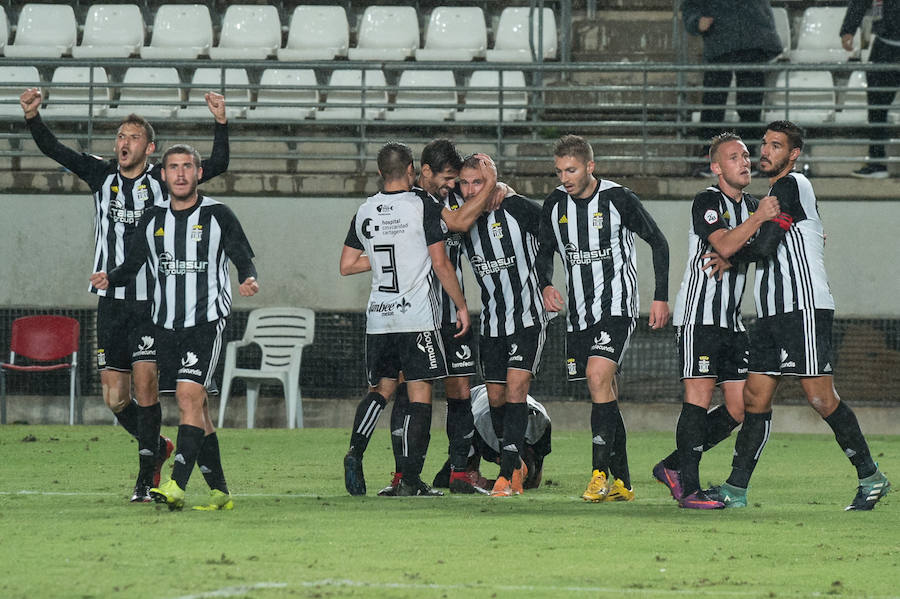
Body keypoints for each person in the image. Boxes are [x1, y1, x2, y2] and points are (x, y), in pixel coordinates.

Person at [20, 88, 230, 502]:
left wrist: (220, 123)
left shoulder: (161, 179)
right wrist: (32, 118)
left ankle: (146, 474)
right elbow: (56, 150)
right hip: (112, 301)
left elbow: (217, 164)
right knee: (115, 398)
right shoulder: (101, 176)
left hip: (152, 303)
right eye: (119, 135)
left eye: (133, 137)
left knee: (146, 385)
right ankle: (160, 446)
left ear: (148, 148)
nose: (124, 142)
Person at [706, 121, 891, 510]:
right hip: (773, 312)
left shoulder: (793, 185)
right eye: (764, 144)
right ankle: (735, 489)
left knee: (820, 398)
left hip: (802, 306)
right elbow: (765, 240)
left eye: (776, 146)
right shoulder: (772, 197)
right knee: (756, 398)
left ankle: (871, 476)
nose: (765, 151)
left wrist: (730, 253)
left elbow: (768, 244)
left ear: (794, 154)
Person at [90, 143, 258, 511]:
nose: (181, 174)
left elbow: (241, 255)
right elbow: (133, 264)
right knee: (198, 411)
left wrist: (247, 277)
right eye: (173, 168)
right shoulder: (152, 218)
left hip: (205, 322)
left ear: (199, 173)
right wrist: (110, 278)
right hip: (166, 325)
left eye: (187, 167)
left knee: (186, 399)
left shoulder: (218, 214)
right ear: (163, 175)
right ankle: (219, 491)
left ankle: (176, 485)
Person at [536, 134, 671, 503]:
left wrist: (660, 297)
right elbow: (544, 251)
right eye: (560, 170)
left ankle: (598, 474)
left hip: (617, 307)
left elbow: (658, 241)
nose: (565, 177)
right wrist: (546, 284)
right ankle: (624, 482)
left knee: (597, 378)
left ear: (590, 167)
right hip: (579, 315)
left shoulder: (618, 199)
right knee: (604, 393)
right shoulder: (554, 205)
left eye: (572, 169)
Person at [339, 142, 472, 497]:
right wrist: (460, 305)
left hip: (378, 320)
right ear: (412, 169)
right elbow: (441, 264)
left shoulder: (366, 210)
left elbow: (346, 265)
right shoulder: (423, 205)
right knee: (419, 395)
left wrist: (389, 257)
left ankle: (356, 451)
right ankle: (411, 480)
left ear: (381, 172)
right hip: (415, 318)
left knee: (380, 391)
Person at [654, 132, 779, 509]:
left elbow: (764, 248)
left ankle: (675, 466)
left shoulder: (754, 205)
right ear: (716, 167)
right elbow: (723, 244)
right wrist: (756, 222)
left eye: (745, 155)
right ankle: (689, 489)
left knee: (741, 406)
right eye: (733, 157)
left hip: (732, 322)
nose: (744, 162)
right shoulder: (707, 200)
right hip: (699, 316)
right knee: (698, 398)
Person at [378, 141, 504, 496]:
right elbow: (462, 222)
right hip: (417, 315)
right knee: (411, 391)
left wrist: (500, 189)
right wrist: (494, 182)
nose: (452, 185)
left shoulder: (452, 199)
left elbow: (472, 206)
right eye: (448, 178)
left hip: (451, 314)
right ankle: (404, 473)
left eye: (456, 179)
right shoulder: (412, 202)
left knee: (459, 389)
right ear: (424, 171)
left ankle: (459, 470)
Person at [454, 153, 551, 497]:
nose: (470, 189)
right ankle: (517, 462)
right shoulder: (462, 216)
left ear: (493, 179)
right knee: (494, 398)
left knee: (515, 390)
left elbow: (551, 235)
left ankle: (508, 475)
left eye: (478, 182)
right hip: (493, 320)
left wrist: (547, 283)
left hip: (527, 316)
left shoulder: (518, 208)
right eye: (464, 183)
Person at [681, 0, 782, 176]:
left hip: (750, 40)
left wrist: (695, 21)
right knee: (716, 103)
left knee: (747, 105)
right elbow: (690, 7)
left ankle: (743, 158)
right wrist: (696, 22)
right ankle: (712, 157)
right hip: (727, 40)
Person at [432, 384, 551, 493]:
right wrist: (473, 477)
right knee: (452, 477)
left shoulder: (542, 429)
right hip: (475, 403)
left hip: (499, 408)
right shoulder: (483, 430)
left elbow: (533, 484)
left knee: (529, 481)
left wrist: (489, 484)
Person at [840, 0, 900, 178]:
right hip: (884, 46)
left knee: (877, 106)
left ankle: (877, 162)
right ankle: (877, 162)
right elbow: (859, 3)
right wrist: (848, 29)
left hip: (885, 44)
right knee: (876, 106)